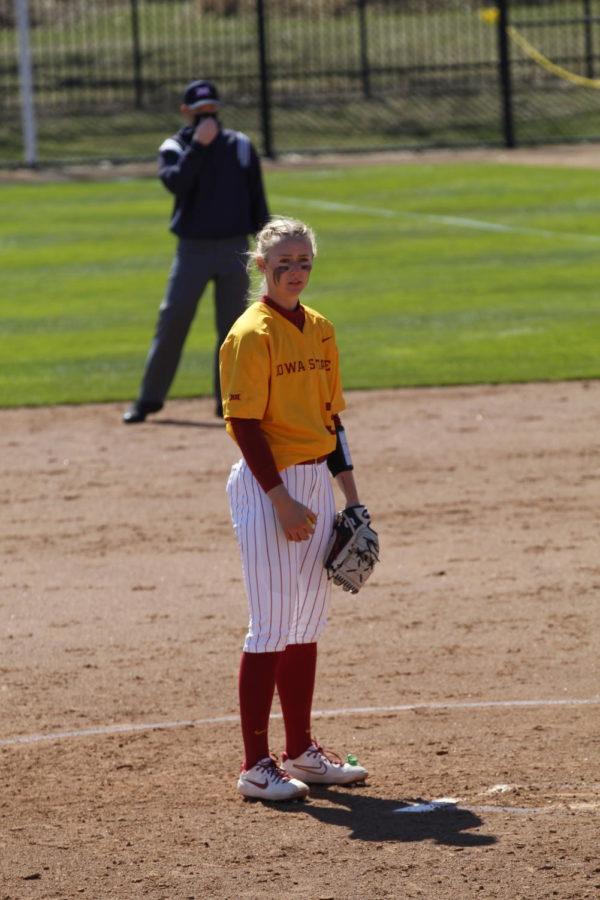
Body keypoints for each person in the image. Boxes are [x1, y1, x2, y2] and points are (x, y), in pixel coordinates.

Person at [219, 217, 370, 802]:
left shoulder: (321, 330)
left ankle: (301, 752)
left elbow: (332, 421)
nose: (295, 272)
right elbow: (244, 424)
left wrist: (351, 498)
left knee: (306, 622)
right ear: (262, 267)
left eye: (304, 261)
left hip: (314, 484)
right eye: (284, 263)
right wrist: (280, 499)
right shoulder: (250, 334)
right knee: (270, 626)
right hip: (268, 487)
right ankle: (256, 765)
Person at [123, 79, 269, 424]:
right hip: (193, 250)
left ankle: (229, 402)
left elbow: (257, 199)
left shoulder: (241, 146)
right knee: (173, 319)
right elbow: (175, 183)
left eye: (213, 111)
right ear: (186, 112)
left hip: (236, 248)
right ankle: (148, 400)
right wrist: (199, 149)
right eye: (200, 112)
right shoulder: (175, 146)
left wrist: (265, 245)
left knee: (235, 329)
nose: (208, 119)